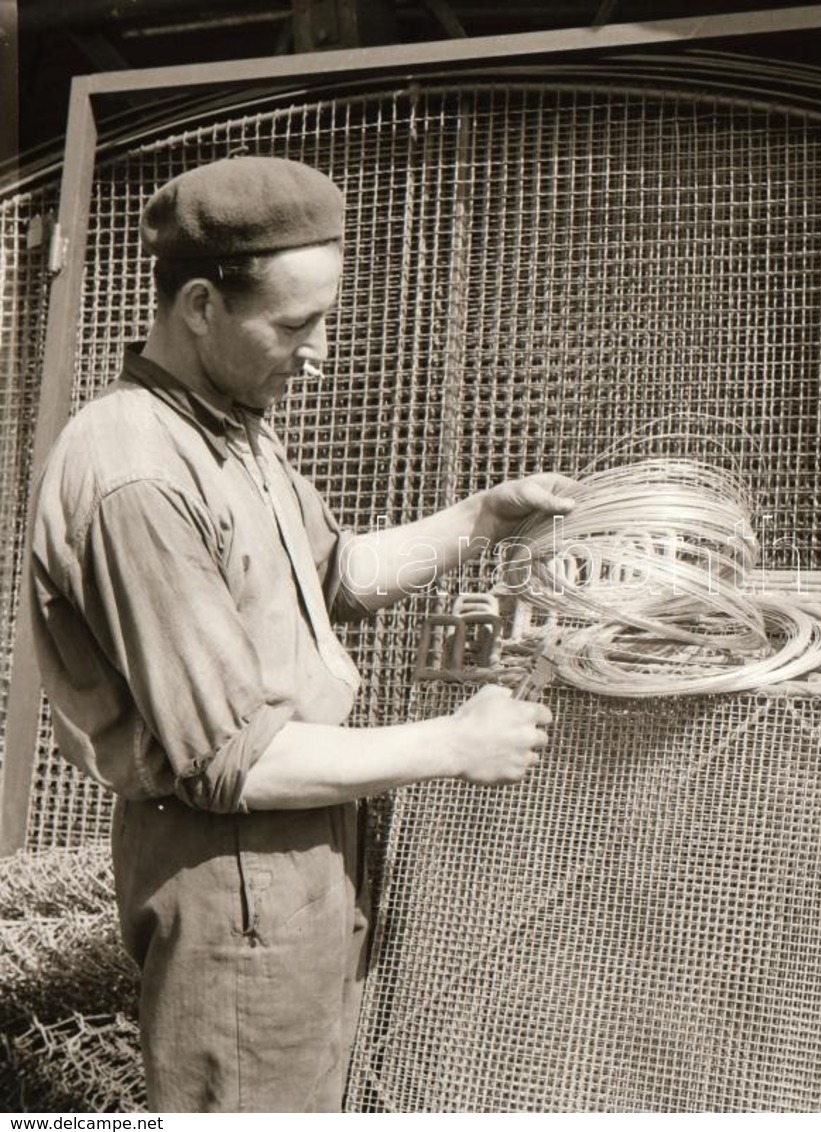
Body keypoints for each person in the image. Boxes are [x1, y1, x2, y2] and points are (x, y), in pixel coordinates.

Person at [29, 155, 576, 1113]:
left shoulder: (233, 424)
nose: (318, 351)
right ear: (199, 305)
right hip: (235, 876)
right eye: (295, 325)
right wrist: (455, 745)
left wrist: (481, 520)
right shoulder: (138, 478)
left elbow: (341, 575)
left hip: (309, 852)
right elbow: (231, 764)